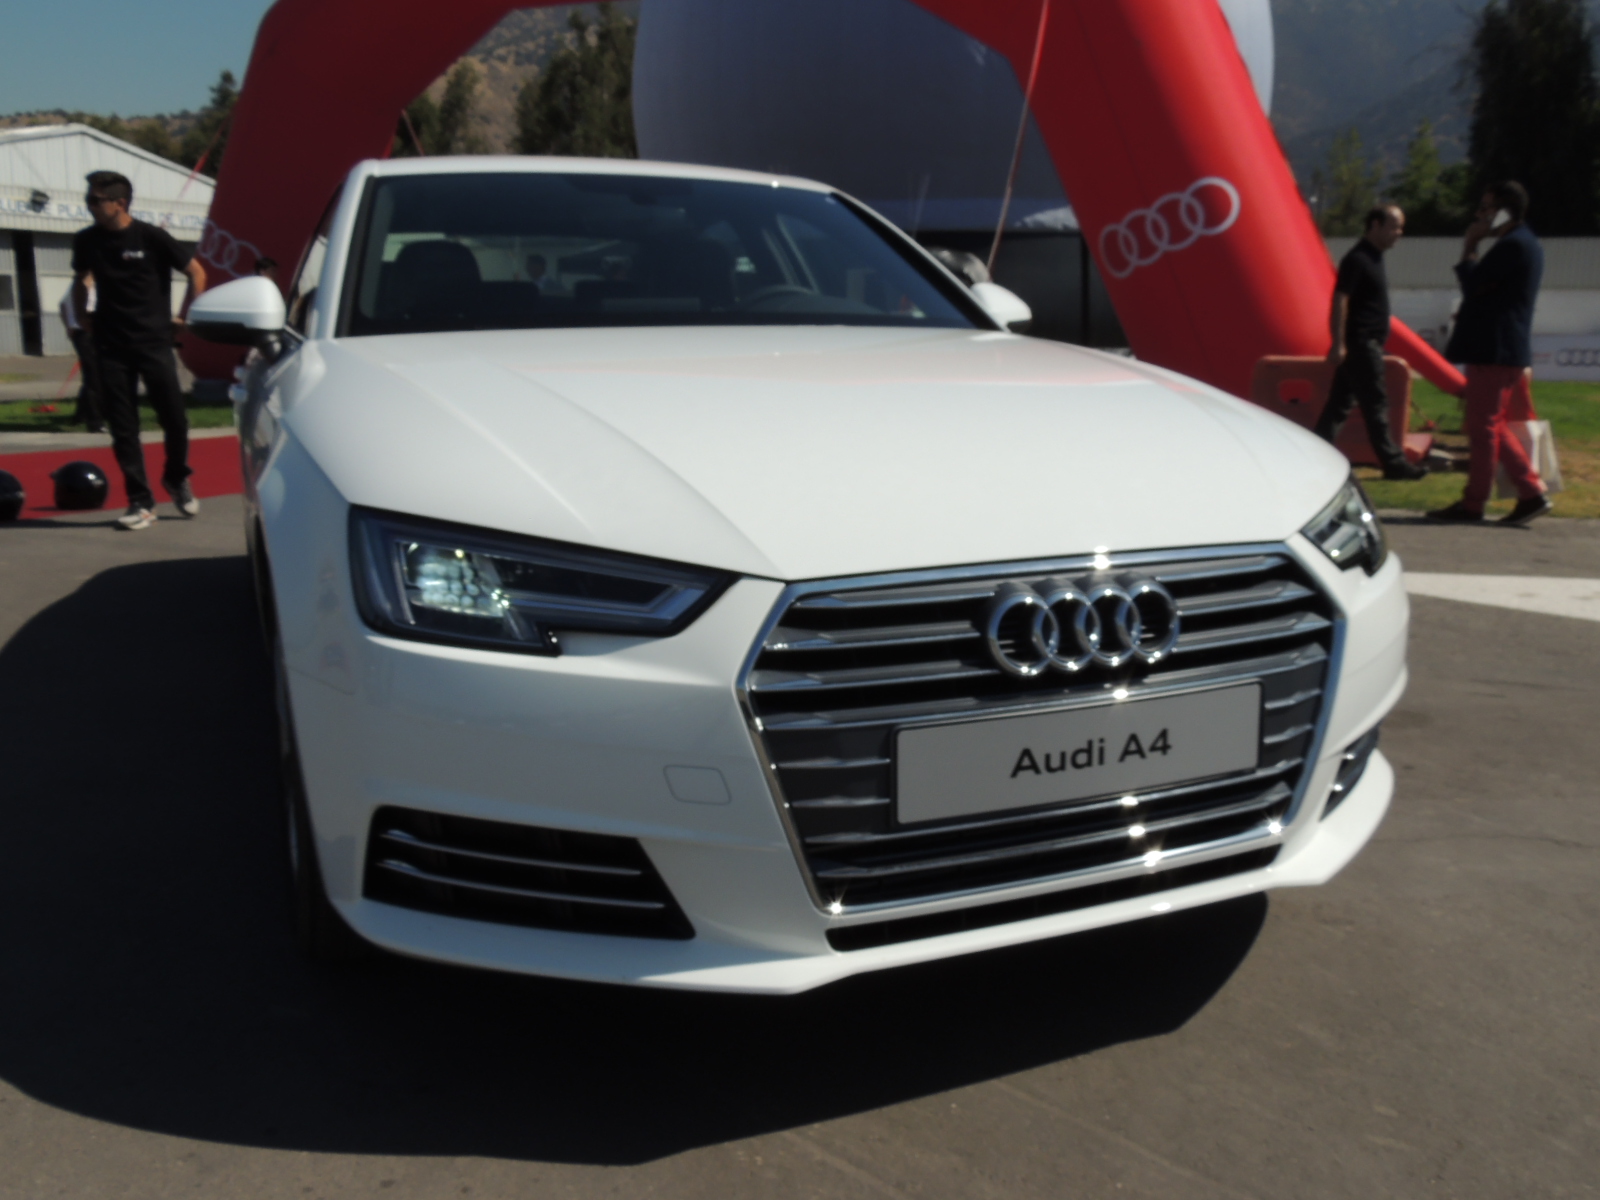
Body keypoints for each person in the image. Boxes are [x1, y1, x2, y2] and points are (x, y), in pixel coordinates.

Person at [70, 171, 206, 530]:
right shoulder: (86, 240)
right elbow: (81, 278)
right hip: (111, 345)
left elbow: (196, 272)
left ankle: (176, 477)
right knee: (123, 427)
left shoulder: (151, 237)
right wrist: (81, 313)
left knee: (175, 420)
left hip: (154, 342)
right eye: (88, 199)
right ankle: (140, 502)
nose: (90, 206)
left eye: (96, 200)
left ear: (120, 203)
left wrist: (186, 315)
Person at [1429, 181, 1551, 525]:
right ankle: (1530, 492)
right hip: (1505, 349)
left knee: (1482, 427)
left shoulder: (1511, 245)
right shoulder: (1526, 243)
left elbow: (1473, 284)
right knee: (1492, 424)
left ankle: (1475, 503)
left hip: (1493, 350)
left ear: (1503, 211)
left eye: (1485, 208)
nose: (1479, 215)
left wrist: (1470, 245)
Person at [1316, 205, 1427, 480]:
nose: (1399, 233)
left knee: (1338, 406)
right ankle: (1394, 464)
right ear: (1375, 225)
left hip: (1365, 343)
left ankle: (1313, 453)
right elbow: (1340, 299)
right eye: (1394, 226)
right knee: (1376, 405)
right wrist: (1338, 343)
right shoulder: (1358, 259)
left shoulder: (1373, 257)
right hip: (1362, 343)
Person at [59, 276, 105, 433]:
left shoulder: (98, 285)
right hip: (83, 332)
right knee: (94, 376)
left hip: (97, 332)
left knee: (95, 375)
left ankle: (81, 415)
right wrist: (69, 326)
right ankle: (95, 421)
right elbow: (63, 305)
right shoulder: (80, 286)